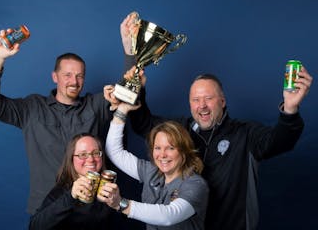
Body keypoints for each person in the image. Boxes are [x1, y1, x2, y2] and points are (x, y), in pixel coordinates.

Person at [113, 65, 313, 230]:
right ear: (190, 104)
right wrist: (137, 86)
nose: (202, 105)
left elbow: (281, 141)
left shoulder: (245, 133)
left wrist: (290, 110)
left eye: (208, 98)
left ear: (223, 101)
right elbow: (143, 124)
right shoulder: (180, 129)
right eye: (196, 100)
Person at [0, 29, 119, 214]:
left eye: (79, 76)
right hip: (46, 210)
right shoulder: (32, 108)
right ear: (54, 77)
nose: (74, 81)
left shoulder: (96, 104)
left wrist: (118, 92)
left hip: (90, 212)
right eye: (67, 75)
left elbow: (130, 94)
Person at [104, 102, 209, 230]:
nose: (162, 155)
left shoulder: (196, 184)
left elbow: (169, 216)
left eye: (170, 148)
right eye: (157, 148)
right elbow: (114, 151)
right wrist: (122, 109)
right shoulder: (152, 172)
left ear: (184, 150)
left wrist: (121, 204)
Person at [29, 133, 121, 230]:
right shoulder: (62, 191)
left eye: (96, 153)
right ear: (71, 159)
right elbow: (34, 227)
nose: (91, 159)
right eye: (83, 155)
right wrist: (70, 196)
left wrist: (118, 204)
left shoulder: (111, 188)